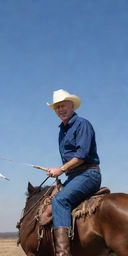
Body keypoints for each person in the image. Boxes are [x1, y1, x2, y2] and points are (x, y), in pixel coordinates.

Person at [46, 89, 102, 256]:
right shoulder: (61, 131)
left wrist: (60, 169)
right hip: (73, 176)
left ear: (72, 105)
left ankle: (63, 253)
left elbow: (82, 156)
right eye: (57, 107)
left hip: (88, 174)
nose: (60, 110)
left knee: (60, 201)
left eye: (63, 106)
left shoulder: (82, 124)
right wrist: (58, 170)